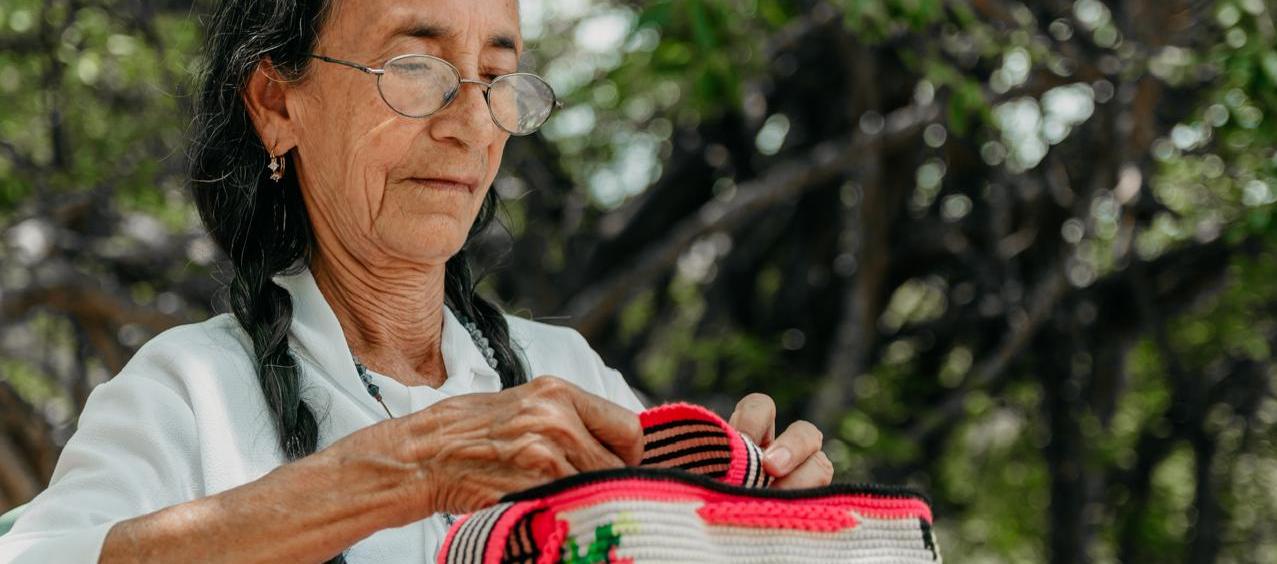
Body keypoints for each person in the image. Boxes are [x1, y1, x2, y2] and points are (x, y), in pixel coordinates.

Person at [0, 0, 833, 562]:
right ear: (276, 104)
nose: (470, 124)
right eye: (413, 66)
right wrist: (409, 469)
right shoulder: (186, 393)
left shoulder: (566, 371)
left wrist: (753, 524)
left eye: (497, 77)